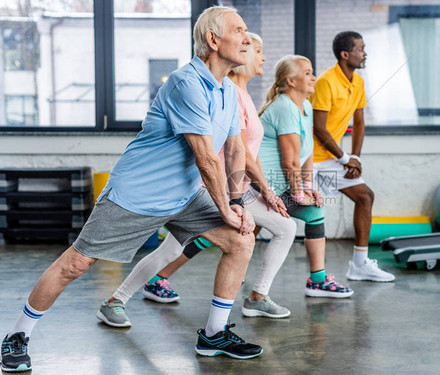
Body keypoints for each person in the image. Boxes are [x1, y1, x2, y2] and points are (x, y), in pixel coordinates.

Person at [1, 7, 263, 371]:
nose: (247, 38)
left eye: (247, 30)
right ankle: (17, 335)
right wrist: (226, 209)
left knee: (240, 240)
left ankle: (214, 335)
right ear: (213, 39)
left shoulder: (227, 91)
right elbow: (206, 157)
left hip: (184, 194)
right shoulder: (185, 82)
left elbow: (234, 149)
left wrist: (236, 202)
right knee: (77, 262)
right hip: (136, 194)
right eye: (240, 30)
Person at [96, 32, 297, 325]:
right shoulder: (231, 93)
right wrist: (260, 192)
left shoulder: (240, 93)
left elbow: (245, 152)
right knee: (283, 228)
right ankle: (255, 298)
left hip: (234, 189)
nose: (262, 56)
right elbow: (235, 152)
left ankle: (116, 299)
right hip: (219, 189)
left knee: (173, 249)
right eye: (258, 50)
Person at [258, 55, 353, 298]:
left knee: (314, 212)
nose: (313, 77)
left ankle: (318, 280)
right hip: (263, 187)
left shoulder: (305, 106)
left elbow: (306, 152)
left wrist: (308, 188)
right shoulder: (284, 107)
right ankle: (159, 277)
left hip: (280, 188)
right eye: (307, 73)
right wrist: (298, 195)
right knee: (224, 234)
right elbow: (289, 161)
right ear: (290, 81)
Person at [310, 31, 395, 283]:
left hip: (330, 157)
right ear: (345, 54)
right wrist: (346, 159)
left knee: (365, 196)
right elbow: (319, 129)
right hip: (308, 158)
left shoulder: (357, 82)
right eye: (360, 49)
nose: (364, 53)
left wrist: (355, 157)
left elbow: (359, 122)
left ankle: (359, 264)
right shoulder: (326, 81)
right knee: (272, 212)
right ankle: (239, 253)